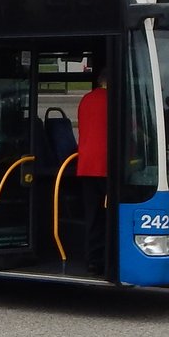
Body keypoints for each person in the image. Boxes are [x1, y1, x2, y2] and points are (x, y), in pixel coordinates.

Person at [77, 67, 108, 274]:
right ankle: (108, 257)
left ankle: (92, 260)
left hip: (86, 166)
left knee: (93, 216)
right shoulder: (114, 100)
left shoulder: (86, 99)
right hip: (107, 166)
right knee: (109, 216)